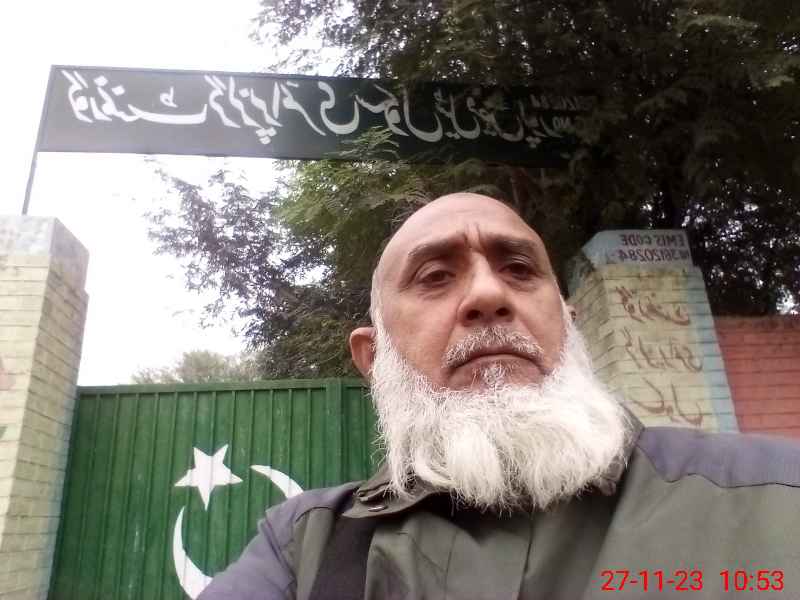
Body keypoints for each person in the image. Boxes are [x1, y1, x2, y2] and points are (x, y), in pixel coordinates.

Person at [199, 193, 799, 600]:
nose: (489, 295)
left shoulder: (776, 493)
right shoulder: (304, 546)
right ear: (373, 357)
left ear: (569, 323)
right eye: (435, 276)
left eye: (518, 268)